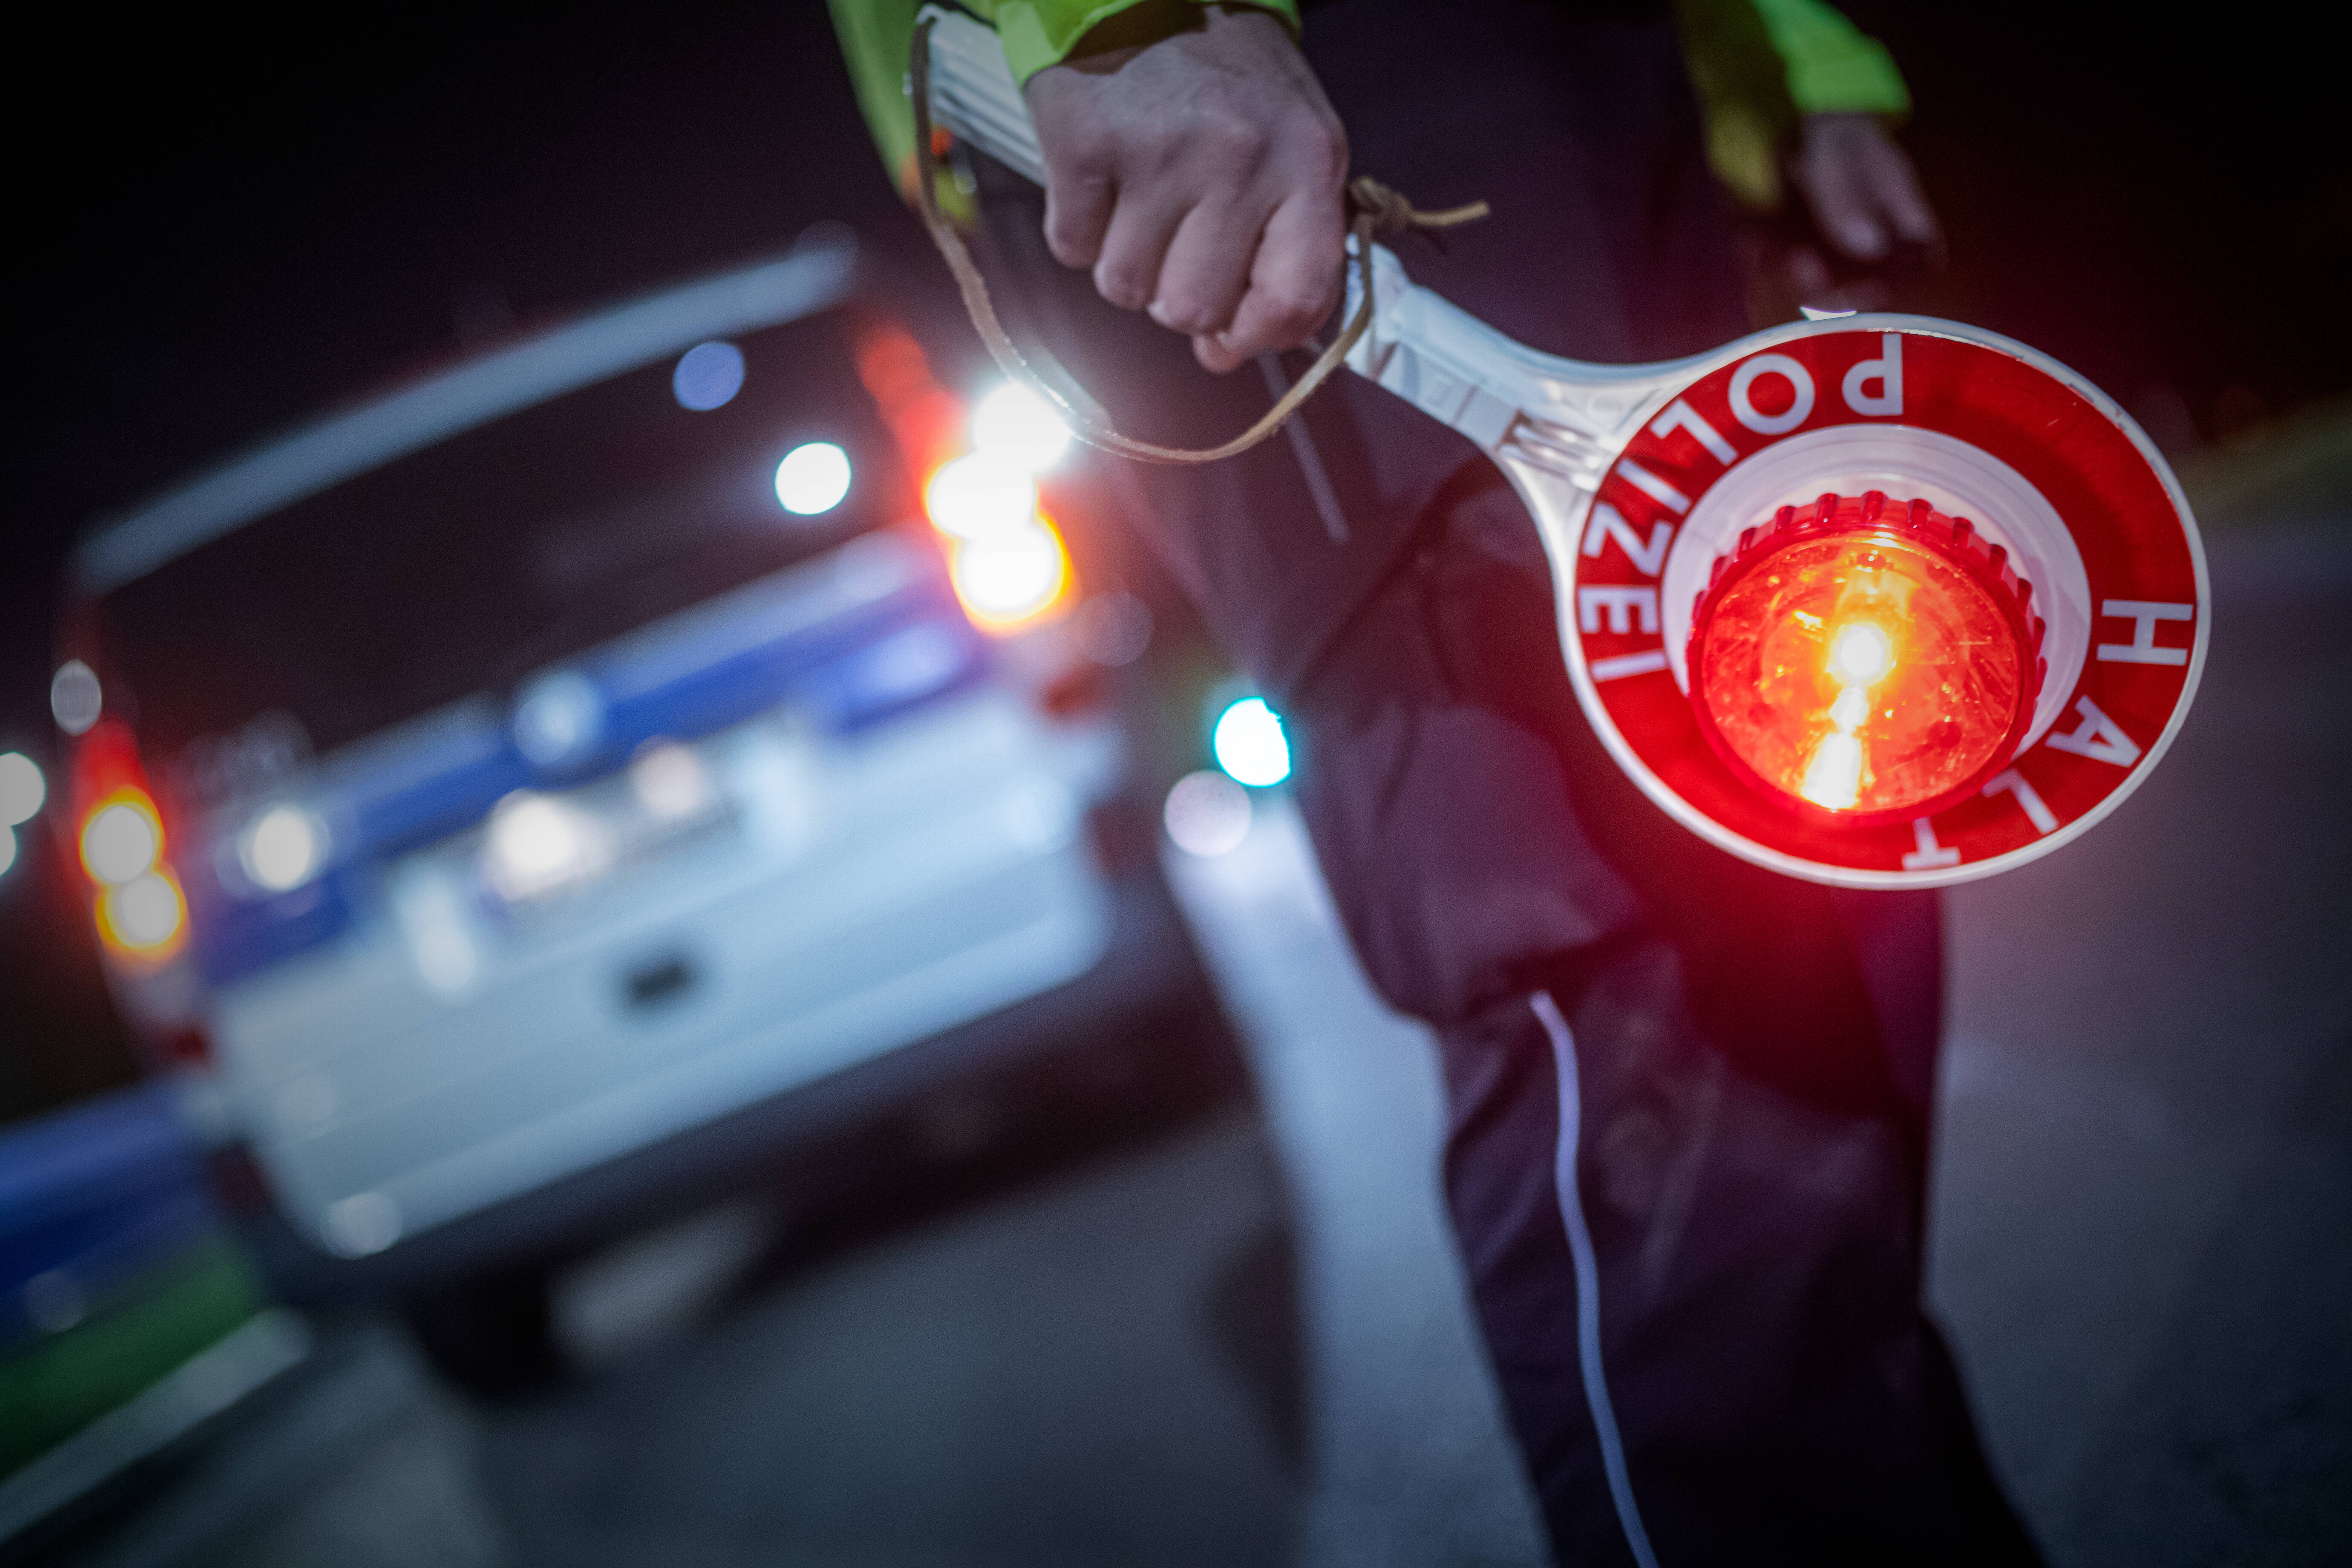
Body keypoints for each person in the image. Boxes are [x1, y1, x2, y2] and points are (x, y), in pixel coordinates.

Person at [831, 3, 2041, 1562]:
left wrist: (1787, 74)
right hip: (1297, 78)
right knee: (1624, 989)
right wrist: (1129, 25)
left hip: (1607, 68)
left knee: (1815, 914)